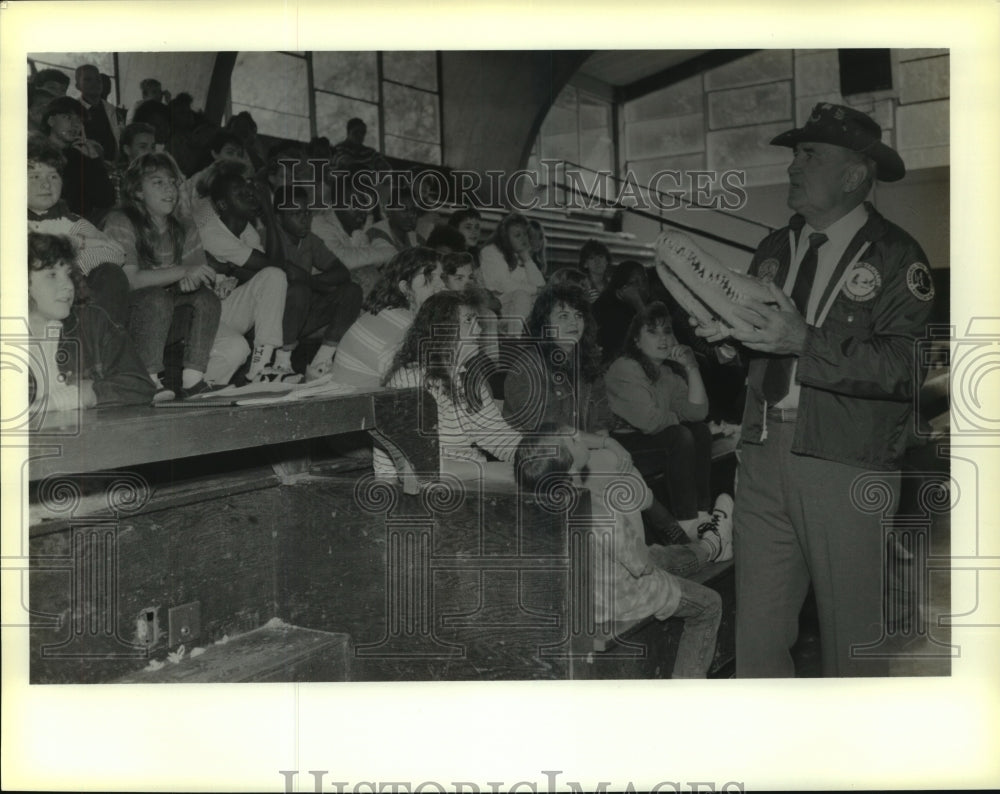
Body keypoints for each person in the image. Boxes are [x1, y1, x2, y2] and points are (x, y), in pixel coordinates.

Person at [688, 103, 936, 678]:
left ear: (854, 175)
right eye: (795, 154)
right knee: (757, 635)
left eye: (810, 154)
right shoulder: (775, 247)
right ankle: (773, 757)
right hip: (763, 451)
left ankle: (852, 763)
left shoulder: (898, 257)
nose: (793, 166)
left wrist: (804, 339)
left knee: (852, 639)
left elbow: (904, 368)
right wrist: (726, 345)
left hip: (846, 462)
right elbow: (761, 346)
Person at [515, 427, 723, 678]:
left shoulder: (534, 509)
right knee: (710, 604)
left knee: (659, 554)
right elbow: (642, 566)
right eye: (572, 439)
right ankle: (685, 692)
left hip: (583, 597)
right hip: (620, 601)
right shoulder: (601, 511)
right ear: (569, 468)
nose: (579, 434)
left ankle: (708, 548)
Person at [101, 152, 223, 400]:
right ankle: (149, 379)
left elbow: (196, 273)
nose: (169, 189)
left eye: (172, 182)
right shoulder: (120, 221)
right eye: (158, 182)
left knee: (206, 299)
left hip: (166, 316)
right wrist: (182, 272)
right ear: (137, 191)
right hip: (125, 320)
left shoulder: (184, 226)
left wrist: (197, 280)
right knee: (157, 298)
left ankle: (193, 379)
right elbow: (130, 281)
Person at [605, 302, 729, 540]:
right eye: (652, 332)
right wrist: (679, 418)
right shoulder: (625, 368)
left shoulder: (666, 373)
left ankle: (702, 514)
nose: (663, 339)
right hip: (622, 446)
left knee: (700, 430)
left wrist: (691, 368)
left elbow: (698, 412)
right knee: (681, 435)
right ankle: (687, 522)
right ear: (636, 341)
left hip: (655, 439)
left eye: (667, 331)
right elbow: (650, 422)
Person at [375, 291, 519, 480]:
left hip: (467, 482)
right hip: (419, 495)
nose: (478, 330)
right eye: (468, 321)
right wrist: (488, 471)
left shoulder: (465, 377)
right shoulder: (410, 382)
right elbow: (417, 467)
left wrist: (535, 455)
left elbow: (498, 436)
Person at [26, 233, 155, 411]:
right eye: (52, 275)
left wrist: (83, 395)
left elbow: (140, 384)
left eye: (69, 274)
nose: (68, 285)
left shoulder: (92, 322)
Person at [192, 161, 289, 384]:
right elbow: (267, 264)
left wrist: (269, 216)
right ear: (223, 205)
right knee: (238, 348)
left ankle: (260, 368)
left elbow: (273, 268)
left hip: (226, 308)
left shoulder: (247, 229)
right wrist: (268, 212)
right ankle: (201, 384)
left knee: (275, 277)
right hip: (203, 314)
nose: (250, 195)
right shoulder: (212, 233)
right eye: (239, 193)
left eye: (248, 189)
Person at [28, 134, 131, 325]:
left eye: (53, 176)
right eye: (34, 176)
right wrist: (78, 243)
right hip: (28, 310)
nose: (46, 184)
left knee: (110, 274)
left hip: (72, 305)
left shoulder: (71, 220)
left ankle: (99, 345)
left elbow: (117, 252)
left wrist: (72, 269)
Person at [271, 186, 363, 379]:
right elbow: (282, 273)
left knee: (352, 291)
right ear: (278, 218)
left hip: (302, 315)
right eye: (296, 213)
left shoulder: (309, 240)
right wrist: (309, 284)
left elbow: (342, 273)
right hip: (272, 320)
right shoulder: (268, 237)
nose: (305, 219)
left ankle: (321, 363)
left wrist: (309, 281)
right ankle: (281, 364)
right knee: (298, 291)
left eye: (307, 212)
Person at [326, 247, 444, 388]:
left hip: (354, 400)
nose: (442, 285)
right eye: (429, 277)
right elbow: (413, 384)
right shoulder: (403, 325)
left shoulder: (387, 313)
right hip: (357, 405)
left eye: (441, 277)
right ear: (405, 287)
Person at [41, 96, 115, 223]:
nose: (75, 125)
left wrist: (94, 160)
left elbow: (106, 200)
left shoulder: (79, 155)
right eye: (68, 117)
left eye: (79, 120)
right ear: (51, 121)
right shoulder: (36, 154)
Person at [479, 212, 546, 335]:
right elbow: (505, 285)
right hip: (497, 306)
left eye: (525, 234)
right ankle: (513, 339)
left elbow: (541, 285)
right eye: (517, 235)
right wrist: (536, 290)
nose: (524, 239)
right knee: (522, 295)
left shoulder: (520, 254)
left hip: (520, 308)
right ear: (505, 237)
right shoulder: (490, 251)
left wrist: (526, 257)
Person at [592, 259, 651, 363]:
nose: (643, 287)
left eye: (644, 280)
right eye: (635, 282)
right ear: (622, 288)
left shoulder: (641, 305)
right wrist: (638, 304)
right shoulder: (605, 310)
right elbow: (650, 338)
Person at [75, 64, 121, 161]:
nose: (94, 83)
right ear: (78, 86)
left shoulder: (111, 110)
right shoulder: (73, 110)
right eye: (88, 80)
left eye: (98, 79)